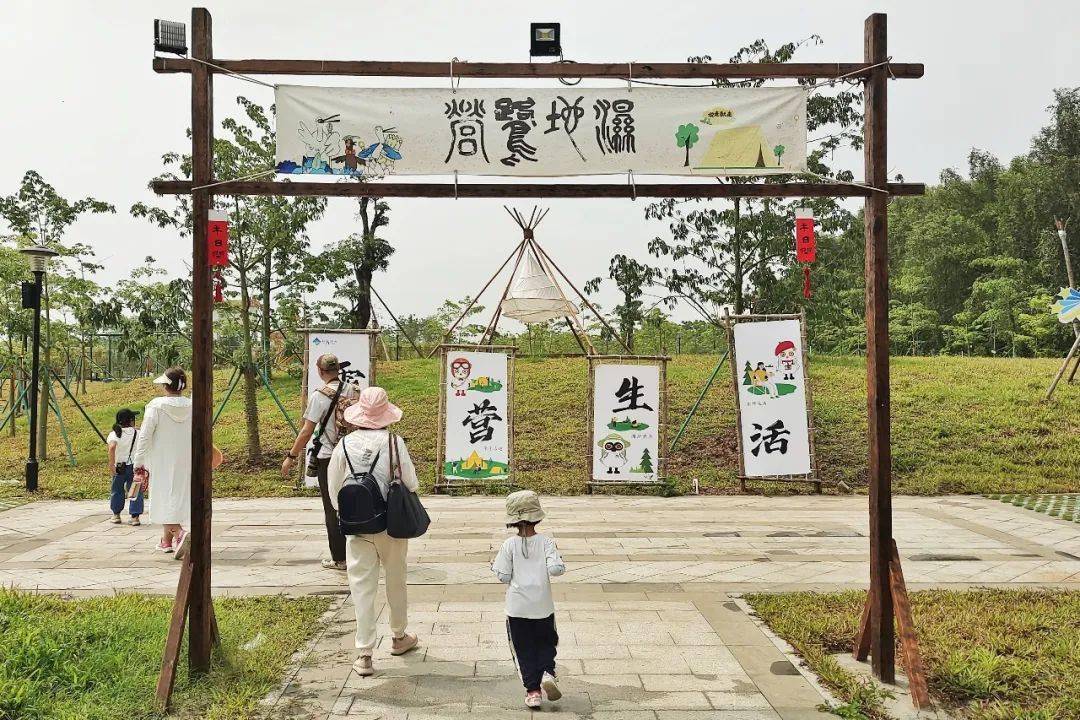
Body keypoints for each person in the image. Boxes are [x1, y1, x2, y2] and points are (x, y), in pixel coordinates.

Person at [326, 386, 420, 677]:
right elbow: (411, 483)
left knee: (361, 588)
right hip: (391, 525)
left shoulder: (344, 445)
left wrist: (350, 513)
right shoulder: (394, 442)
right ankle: (399, 637)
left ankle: (364, 654)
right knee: (396, 581)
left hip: (357, 527)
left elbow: (334, 490)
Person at [281, 353, 361, 571]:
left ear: (319, 371)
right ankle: (361, 555)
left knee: (332, 507)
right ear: (338, 369)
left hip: (329, 457)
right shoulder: (354, 390)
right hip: (354, 456)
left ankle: (340, 559)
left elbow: (307, 431)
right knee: (357, 503)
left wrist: (291, 456)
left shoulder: (319, 396)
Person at [491, 490, 565, 709]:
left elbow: (504, 576)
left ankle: (533, 691)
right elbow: (556, 569)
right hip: (543, 606)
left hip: (517, 608)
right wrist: (558, 564)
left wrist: (494, 567)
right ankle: (548, 673)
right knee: (546, 642)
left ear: (512, 520)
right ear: (537, 517)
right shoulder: (546, 542)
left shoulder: (509, 545)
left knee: (523, 649)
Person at [133, 367, 191, 558]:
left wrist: (138, 461)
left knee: (163, 498)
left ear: (165, 386)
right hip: (186, 459)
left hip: (160, 460)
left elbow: (145, 435)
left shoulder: (156, 406)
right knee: (176, 496)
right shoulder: (192, 405)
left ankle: (179, 533)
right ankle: (166, 541)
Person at [107, 409, 142, 525]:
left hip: (119, 466)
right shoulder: (137, 433)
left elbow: (112, 447)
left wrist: (111, 464)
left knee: (117, 490)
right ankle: (135, 517)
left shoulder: (114, 434)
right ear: (131, 420)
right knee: (135, 490)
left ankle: (116, 515)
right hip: (134, 466)